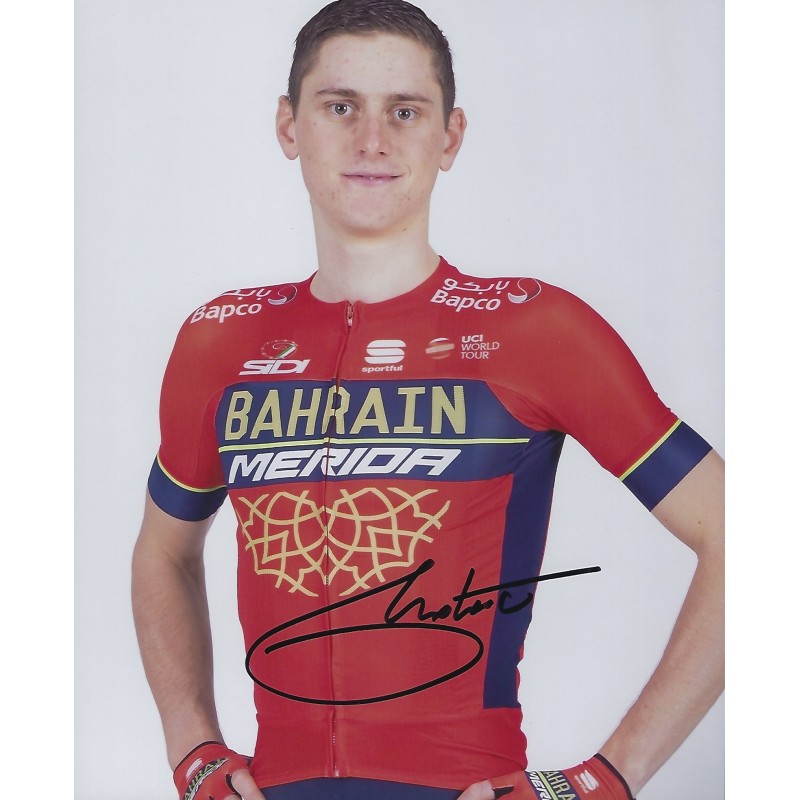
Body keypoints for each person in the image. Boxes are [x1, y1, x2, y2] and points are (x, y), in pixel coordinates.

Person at [131, 2, 724, 799]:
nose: (372, 139)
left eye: (405, 111)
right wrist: (194, 749)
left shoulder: (537, 330)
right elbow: (163, 552)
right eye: (340, 106)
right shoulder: (220, 340)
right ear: (289, 126)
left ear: (450, 137)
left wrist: (605, 778)